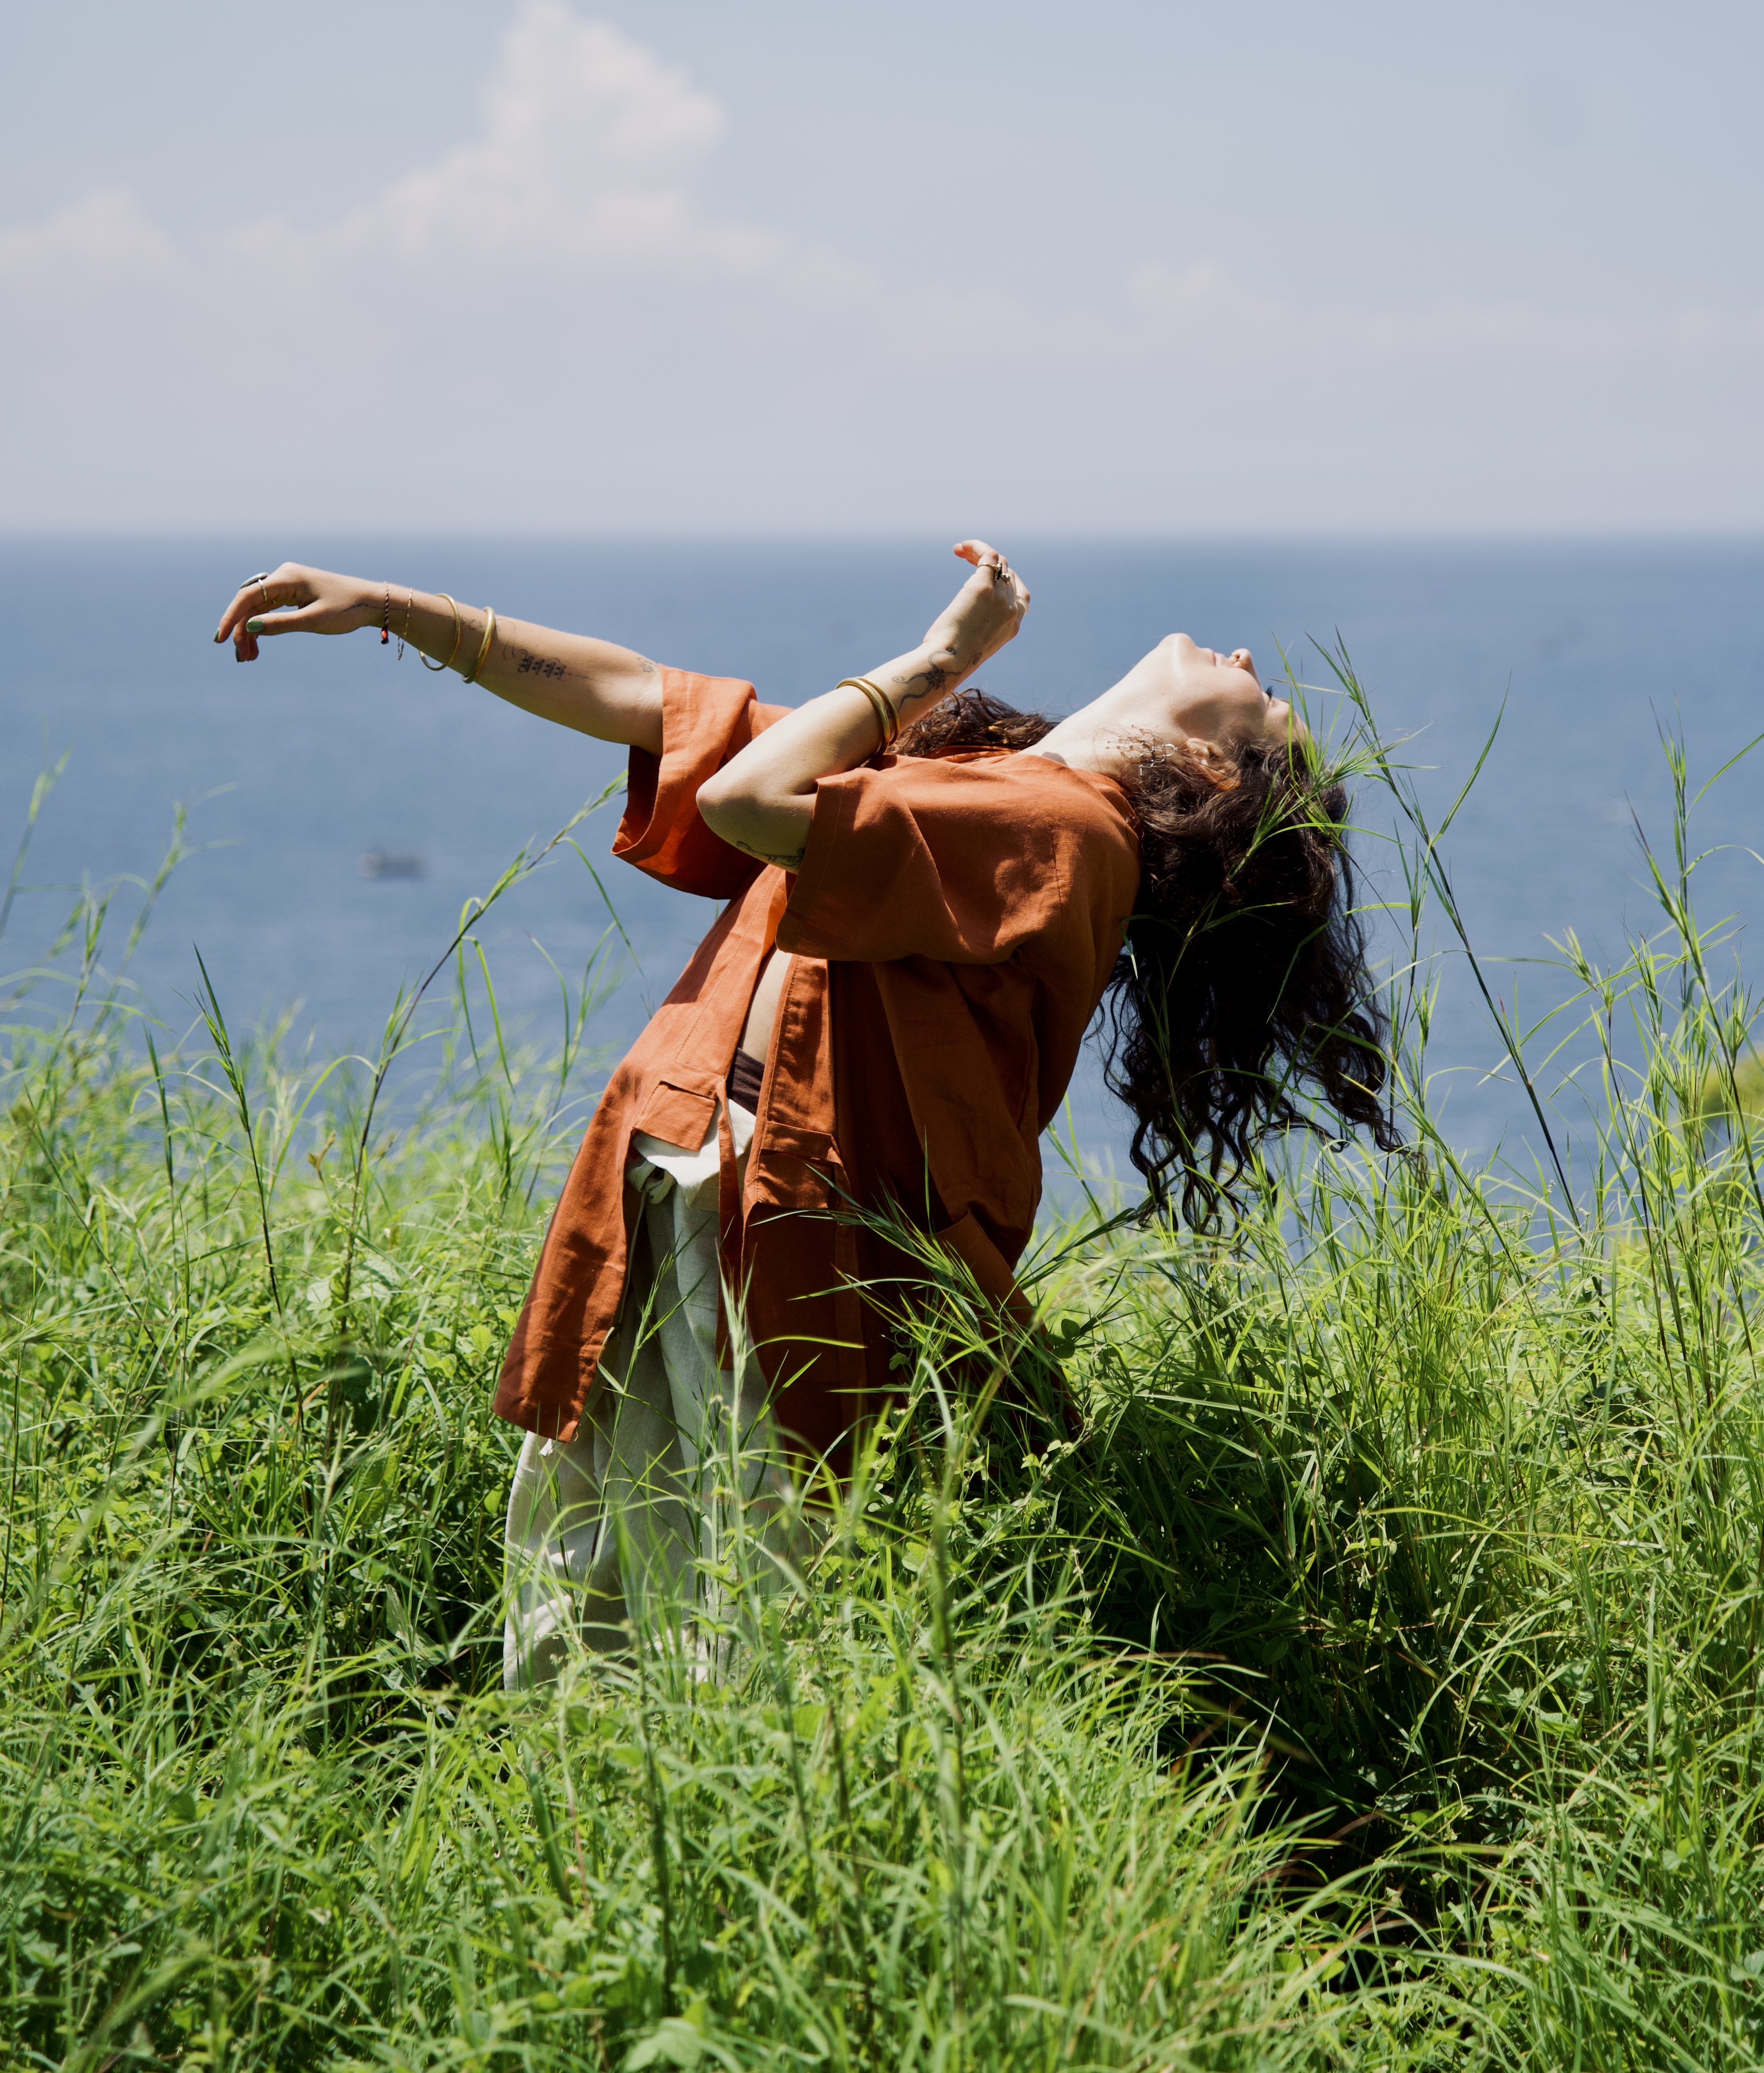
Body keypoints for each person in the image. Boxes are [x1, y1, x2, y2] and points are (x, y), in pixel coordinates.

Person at [214, 540, 1393, 1679]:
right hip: (691, 1187)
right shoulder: (989, 785)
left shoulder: (1069, 832)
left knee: (684, 1624)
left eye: (1268, 692)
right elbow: (649, 703)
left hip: (775, 1236)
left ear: (1220, 772)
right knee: (630, 1603)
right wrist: (386, 604)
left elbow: (743, 795)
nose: (1244, 651)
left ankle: (693, 1864)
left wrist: (936, 659)